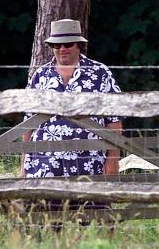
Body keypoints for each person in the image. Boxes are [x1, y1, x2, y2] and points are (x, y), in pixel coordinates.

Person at [21, 19, 123, 212]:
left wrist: (112, 160)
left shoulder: (100, 73)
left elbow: (114, 121)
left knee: (96, 224)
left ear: (79, 46)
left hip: (89, 164)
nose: (62, 49)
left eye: (67, 44)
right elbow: (28, 123)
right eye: (56, 45)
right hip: (44, 167)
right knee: (45, 227)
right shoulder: (40, 76)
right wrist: (24, 163)